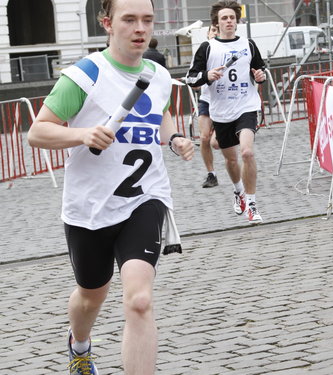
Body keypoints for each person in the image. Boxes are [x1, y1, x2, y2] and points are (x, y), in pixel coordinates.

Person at [27, 0, 193, 374]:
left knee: (138, 300)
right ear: (107, 23)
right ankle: (80, 345)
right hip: (90, 207)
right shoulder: (85, 75)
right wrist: (84, 133)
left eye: (147, 20)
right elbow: (37, 132)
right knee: (91, 295)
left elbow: (160, 112)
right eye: (129, 19)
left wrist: (175, 138)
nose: (140, 28)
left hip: (145, 200)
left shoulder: (157, 74)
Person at [186, 0, 266, 224]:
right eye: (224, 18)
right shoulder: (208, 48)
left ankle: (251, 203)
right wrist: (207, 76)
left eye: (232, 17)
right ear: (216, 23)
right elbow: (190, 78)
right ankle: (238, 191)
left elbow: (260, 69)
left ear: (237, 21)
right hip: (221, 111)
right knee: (231, 161)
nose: (229, 21)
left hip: (246, 106)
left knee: (247, 153)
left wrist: (260, 76)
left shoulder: (248, 44)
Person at [197, 25, 220, 188]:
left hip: (225, 101)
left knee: (216, 143)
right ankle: (211, 174)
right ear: (207, 34)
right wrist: (200, 79)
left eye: (218, 30)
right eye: (213, 30)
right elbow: (193, 76)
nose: (216, 33)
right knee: (204, 138)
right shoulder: (203, 51)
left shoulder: (228, 50)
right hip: (206, 99)